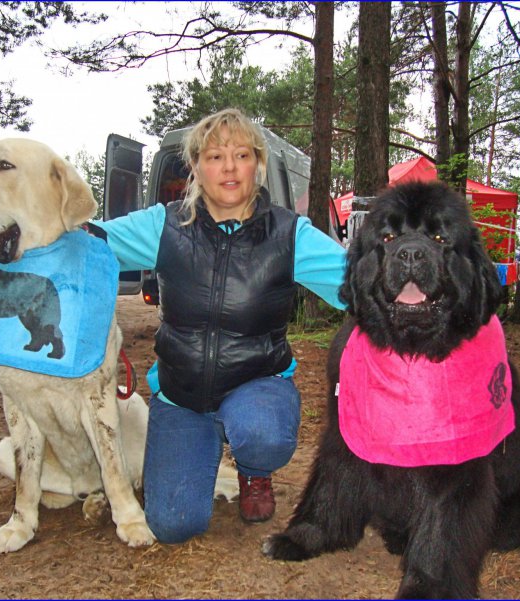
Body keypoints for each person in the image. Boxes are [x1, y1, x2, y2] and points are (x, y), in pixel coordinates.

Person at [96, 108, 347, 544]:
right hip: (182, 393)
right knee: (174, 524)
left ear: (258, 164)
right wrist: (27, 235)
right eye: (214, 156)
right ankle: (201, 446)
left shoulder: (290, 234)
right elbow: (90, 244)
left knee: (262, 434)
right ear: (195, 167)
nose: (229, 167)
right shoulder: (163, 225)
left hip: (258, 384)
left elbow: (359, 281)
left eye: (242, 154)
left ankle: (254, 470)